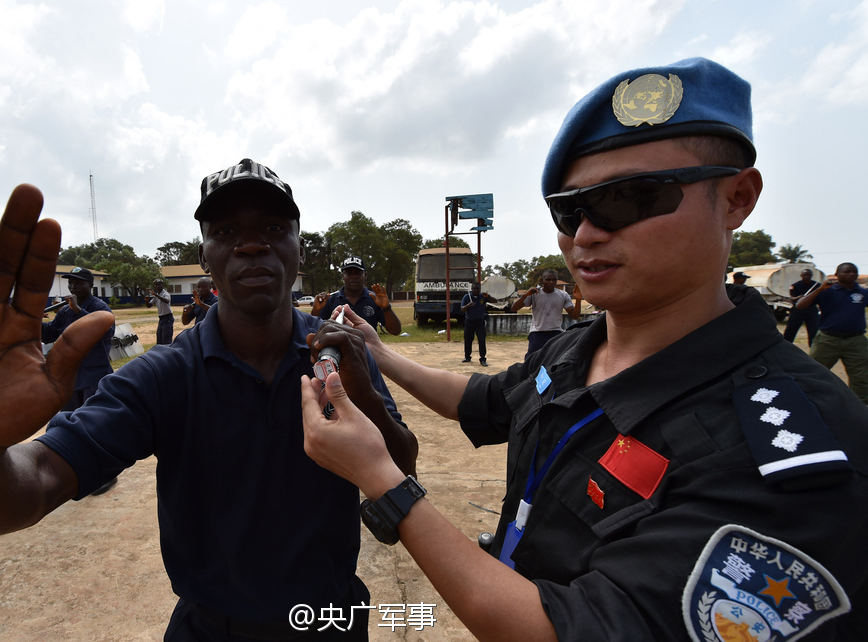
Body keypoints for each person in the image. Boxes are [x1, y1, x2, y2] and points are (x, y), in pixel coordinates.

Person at [301, 58, 868, 640]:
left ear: (736, 197)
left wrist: (384, 481)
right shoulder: (575, 350)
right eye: (568, 211)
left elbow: (569, 630)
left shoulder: (789, 453)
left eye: (629, 198)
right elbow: (482, 399)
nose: (586, 235)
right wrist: (380, 352)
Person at [0, 158, 416, 640]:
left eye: (274, 228)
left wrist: (362, 393)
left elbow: (403, 470)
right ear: (204, 256)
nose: (252, 244)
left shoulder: (338, 354)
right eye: (226, 231)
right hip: (211, 629)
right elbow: (35, 480)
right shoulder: (166, 375)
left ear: (300, 249)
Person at [42, 267, 115, 412]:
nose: (73, 286)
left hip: (93, 377)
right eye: (71, 283)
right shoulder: (65, 311)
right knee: (68, 419)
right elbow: (50, 333)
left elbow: (107, 331)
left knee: (92, 418)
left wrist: (79, 311)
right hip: (70, 378)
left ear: (91, 286)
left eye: (79, 283)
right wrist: (32, 320)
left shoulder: (99, 307)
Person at [795, 262, 868, 403]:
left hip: (856, 341)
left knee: (861, 377)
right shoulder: (826, 291)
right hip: (827, 340)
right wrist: (820, 289)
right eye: (847, 272)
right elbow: (800, 305)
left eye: (854, 272)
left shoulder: (863, 293)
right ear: (837, 274)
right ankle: (810, 401)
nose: (852, 274)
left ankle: (860, 406)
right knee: (815, 372)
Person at [312, 257, 401, 335]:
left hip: (367, 352)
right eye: (349, 273)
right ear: (342, 276)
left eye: (358, 273)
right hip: (338, 352)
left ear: (365, 275)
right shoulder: (330, 299)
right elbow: (313, 330)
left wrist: (386, 308)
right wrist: (316, 311)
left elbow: (395, 331)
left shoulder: (374, 299)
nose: (354, 277)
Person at [509, 269, 581, 359]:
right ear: (542, 280)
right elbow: (514, 308)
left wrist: (578, 299)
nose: (551, 282)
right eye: (548, 279)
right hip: (537, 333)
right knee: (532, 361)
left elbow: (575, 315)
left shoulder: (563, 295)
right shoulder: (534, 294)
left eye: (554, 280)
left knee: (554, 360)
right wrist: (525, 295)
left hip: (556, 333)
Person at [459, 282, 496, 366]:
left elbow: (495, 301)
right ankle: (467, 356)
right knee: (468, 340)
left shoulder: (483, 296)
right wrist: (468, 305)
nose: (476, 290)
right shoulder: (467, 297)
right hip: (469, 321)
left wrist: (488, 296)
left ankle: (483, 358)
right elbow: (462, 309)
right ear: (471, 289)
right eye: (474, 288)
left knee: (482, 340)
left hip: (480, 322)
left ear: (480, 289)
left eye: (477, 289)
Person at [783, 268, 820, 344]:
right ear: (801, 276)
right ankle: (787, 344)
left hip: (811, 309)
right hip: (798, 310)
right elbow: (792, 298)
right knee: (791, 329)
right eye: (805, 275)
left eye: (809, 275)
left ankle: (813, 345)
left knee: (813, 329)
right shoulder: (795, 285)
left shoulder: (817, 285)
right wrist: (798, 297)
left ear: (811, 275)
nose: (807, 276)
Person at [145, 278, 174, 344]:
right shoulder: (156, 296)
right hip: (161, 318)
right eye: (156, 285)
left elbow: (166, 301)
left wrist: (155, 295)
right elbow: (149, 305)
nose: (157, 286)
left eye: (159, 285)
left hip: (167, 318)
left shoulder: (165, 294)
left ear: (162, 285)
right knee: (159, 339)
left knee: (166, 339)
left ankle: (167, 353)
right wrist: (146, 300)